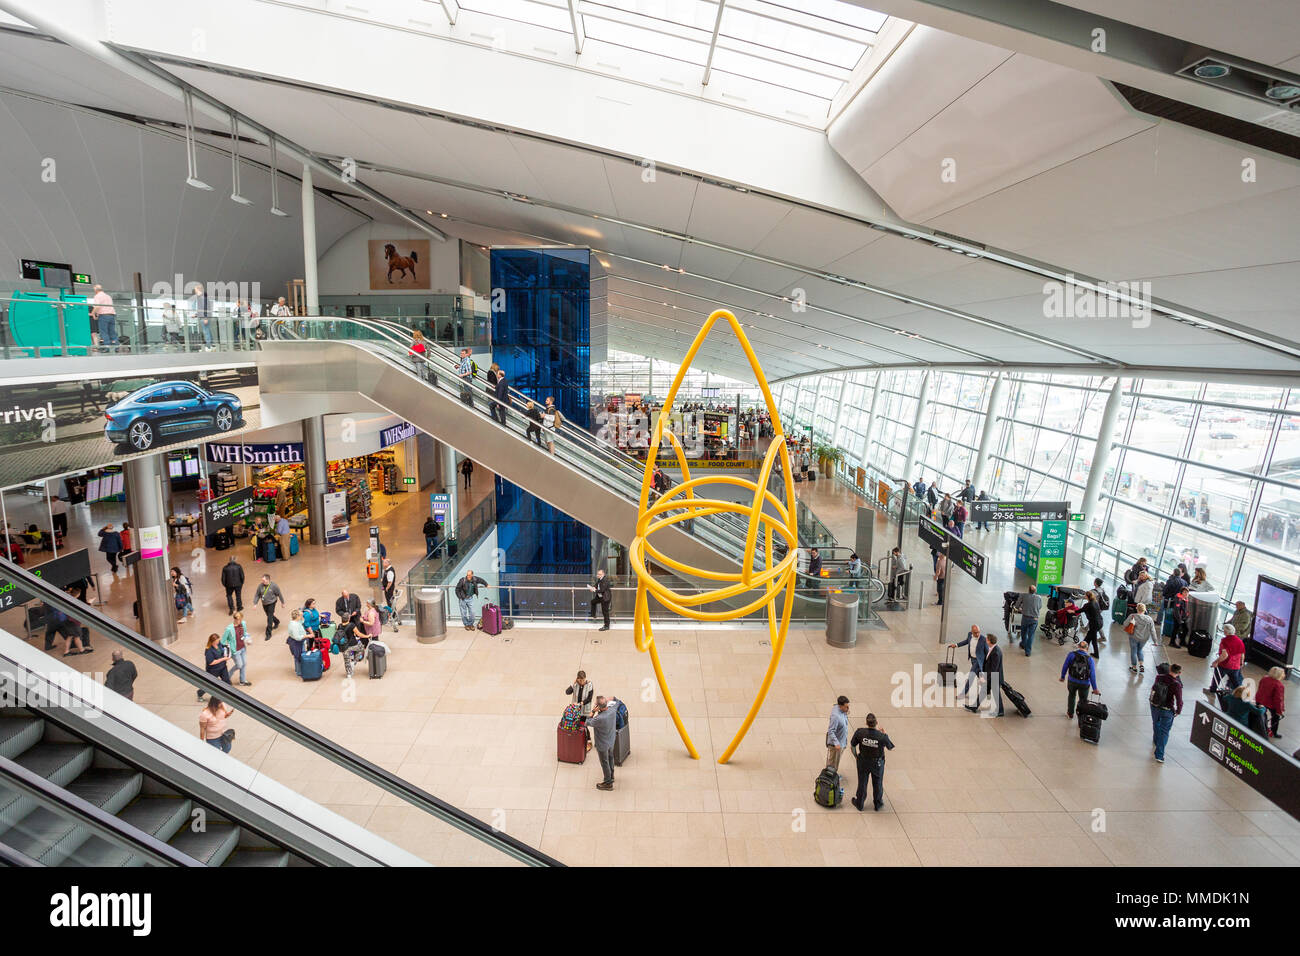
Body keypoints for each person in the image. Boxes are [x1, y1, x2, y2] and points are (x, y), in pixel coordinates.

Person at [849, 713, 895, 811]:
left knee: (862, 783)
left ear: (866, 723)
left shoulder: (860, 732)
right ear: (876, 723)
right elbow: (890, 747)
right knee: (877, 783)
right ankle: (877, 804)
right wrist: (884, 733)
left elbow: (852, 746)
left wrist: (856, 756)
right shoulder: (881, 736)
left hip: (863, 762)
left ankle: (860, 803)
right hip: (877, 764)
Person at [1149, 662, 1183, 763]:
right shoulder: (1177, 684)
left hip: (1155, 706)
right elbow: (1179, 700)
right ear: (1179, 673)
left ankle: (1156, 740)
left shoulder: (1159, 677)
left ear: (1170, 669)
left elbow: (1153, 688)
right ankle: (1159, 755)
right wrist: (1178, 711)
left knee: (1156, 723)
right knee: (1165, 731)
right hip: (1167, 709)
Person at [951, 625, 987, 707]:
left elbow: (987, 652)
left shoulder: (983, 639)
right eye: (975, 633)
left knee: (971, 676)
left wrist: (985, 663)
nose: (977, 634)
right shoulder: (969, 635)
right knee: (980, 676)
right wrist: (956, 645)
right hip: (973, 660)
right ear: (972, 631)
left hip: (978, 661)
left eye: (978, 632)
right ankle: (987, 689)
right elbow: (966, 641)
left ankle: (963, 693)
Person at [1060, 641, 1098, 718]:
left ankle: (1070, 713)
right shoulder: (1090, 659)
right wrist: (1095, 688)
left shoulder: (1071, 655)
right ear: (1087, 648)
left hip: (1072, 680)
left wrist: (1062, 676)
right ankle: (1081, 717)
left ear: (1078, 646)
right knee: (1083, 700)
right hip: (1084, 683)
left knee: (1071, 696)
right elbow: (1092, 675)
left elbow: (1065, 666)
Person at [589, 696, 620, 790]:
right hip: (611, 740)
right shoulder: (613, 709)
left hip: (602, 744)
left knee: (604, 762)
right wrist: (612, 698)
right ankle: (612, 776)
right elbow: (617, 701)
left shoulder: (599, 718)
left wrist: (593, 711)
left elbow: (586, 722)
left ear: (598, 706)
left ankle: (608, 783)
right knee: (611, 757)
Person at [1207, 623, 1246, 696]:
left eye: (1224, 630)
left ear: (1226, 632)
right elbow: (1242, 655)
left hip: (1225, 665)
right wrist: (1241, 663)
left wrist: (1216, 662)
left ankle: (1212, 690)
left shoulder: (1225, 641)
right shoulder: (1240, 641)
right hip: (1236, 666)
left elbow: (1225, 655)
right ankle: (1240, 694)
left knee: (1217, 677)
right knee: (1235, 682)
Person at [566, 670, 596, 752]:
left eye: (583, 680)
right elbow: (567, 692)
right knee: (575, 725)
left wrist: (580, 704)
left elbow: (589, 698)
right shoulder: (575, 685)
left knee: (584, 726)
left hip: (584, 711)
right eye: (580, 680)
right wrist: (573, 684)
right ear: (577, 679)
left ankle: (588, 741)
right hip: (575, 711)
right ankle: (578, 740)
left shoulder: (589, 684)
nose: (582, 682)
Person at [221, 611, 252, 687]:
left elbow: (244, 633)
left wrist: (247, 639)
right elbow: (223, 640)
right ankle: (226, 677)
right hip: (235, 651)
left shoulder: (243, 624)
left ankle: (242, 680)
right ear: (235, 619)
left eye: (241, 619)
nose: (241, 621)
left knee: (244, 664)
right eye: (239, 620)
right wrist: (226, 648)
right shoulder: (229, 629)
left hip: (242, 648)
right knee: (239, 665)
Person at [197, 632, 232, 702]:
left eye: (218, 640)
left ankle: (228, 696)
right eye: (216, 641)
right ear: (212, 642)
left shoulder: (219, 644)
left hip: (223, 667)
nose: (218, 642)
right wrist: (223, 659)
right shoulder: (209, 650)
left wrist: (227, 649)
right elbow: (211, 662)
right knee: (209, 685)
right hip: (213, 670)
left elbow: (223, 648)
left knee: (227, 681)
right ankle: (200, 693)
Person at [1124, 603, 1156, 674]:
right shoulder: (1149, 619)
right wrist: (1155, 641)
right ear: (1145, 610)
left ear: (1137, 609)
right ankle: (1141, 666)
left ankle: (1134, 668)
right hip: (1144, 638)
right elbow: (1153, 630)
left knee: (1134, 651)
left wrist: (1130, 622)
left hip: (1133, 637)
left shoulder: (1132, 616)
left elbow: (1125, 624)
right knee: (1140, 650)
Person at [1257, 667, 1287, 738]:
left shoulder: (1264, 678)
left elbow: (1260, 688)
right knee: (1275, 717)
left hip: (1260, 700)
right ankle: (1274, 732)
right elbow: (1278, 699)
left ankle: (1262, 728)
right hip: (1271, 704)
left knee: (1262, 715)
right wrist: (1279, 711)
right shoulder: (1279, 685)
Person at [254, 574, 285, 641]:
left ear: (268, 580)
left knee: (269, 617)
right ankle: (277, 621)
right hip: (264, 603)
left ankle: (268, 633)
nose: (262, 582)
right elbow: (257, 594)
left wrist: (282, 602)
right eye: (262, 580)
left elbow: (279, 594)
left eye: (263, 580)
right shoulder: (260, 586)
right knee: (268, 615)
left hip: (272, 602)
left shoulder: (274, 586)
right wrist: (255, 604)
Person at [980, 634, 1004, 716]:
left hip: (994, 678)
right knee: (983, 691)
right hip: (992, 677)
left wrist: (985, 678)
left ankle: (1000, 711)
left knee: (996, 695)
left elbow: (994, 669)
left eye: (987, 639)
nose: (985, 640)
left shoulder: (996, 652)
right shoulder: (992, 649)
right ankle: (973, 707)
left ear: (989, 641)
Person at [825, 695, 850, 772]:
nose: (848, 708)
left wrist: (846, 713)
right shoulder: (835, 716)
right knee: (832, 762)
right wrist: (836, 743)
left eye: (848, 706)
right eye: (846, 707)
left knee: (836, 762)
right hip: (836, 745)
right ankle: (829, 777)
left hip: (841, 741)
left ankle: (833, 775)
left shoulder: (842, 711)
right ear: (840, 706)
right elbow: (831, 731)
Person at [1016, 584, 1042, 656]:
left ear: (1028, 590)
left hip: (1025, 617)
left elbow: (1017, 604)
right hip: (1034, 619)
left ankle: (1023, 644)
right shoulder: (1039, 597)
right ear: (1035, 591)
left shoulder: (1023, 595)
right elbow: (1039, 607)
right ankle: (1028, 652)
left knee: (1023, 632)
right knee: (1031, 635)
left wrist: (1020, 608)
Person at [90, 284, 117, 350]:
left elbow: (97, 306)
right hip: (112, 315)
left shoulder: (97, 296)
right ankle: (117, 347)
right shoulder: (108, 296)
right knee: (112, 332)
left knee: (104, 332)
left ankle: (106, 348)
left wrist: (92, 313)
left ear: (96, 290)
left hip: (103, 316)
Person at [1081, 590, 1104, 659]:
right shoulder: (1095, 602)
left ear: (1087, 597)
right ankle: (1083, 649)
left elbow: (1080, 611)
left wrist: (1072, 611)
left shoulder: (1088, 605)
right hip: (1100, 622)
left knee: (1093, 640)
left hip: (1094, 624)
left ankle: (1093, 653)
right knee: (1088, 637)